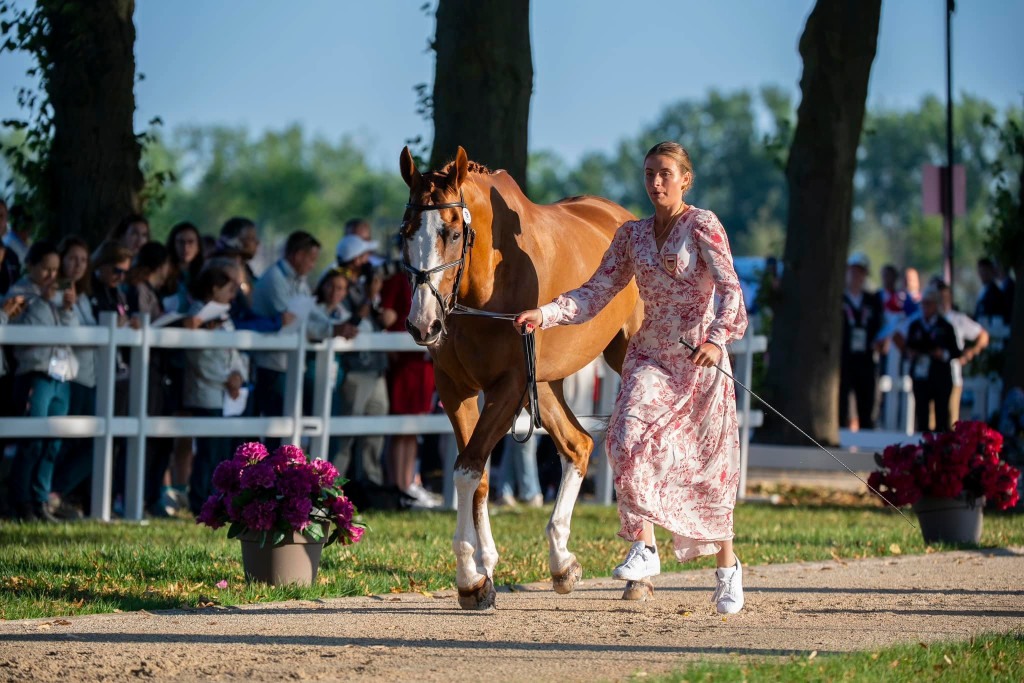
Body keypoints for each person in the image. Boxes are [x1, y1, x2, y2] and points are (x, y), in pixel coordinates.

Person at [515, 141, 748, 614]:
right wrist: (546, 312)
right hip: (651, 357)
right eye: (649, 174)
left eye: (665, 174)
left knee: (705, 473)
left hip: (700, 361)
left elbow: (730, 290)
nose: (656, 182)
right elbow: (596, 290)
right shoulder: (632, 236)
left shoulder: (703, 225)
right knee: (624, 438)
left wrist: (717, 338)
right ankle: (644, 547)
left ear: (685, 179)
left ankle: (727, 568)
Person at [6, 241, 79, 522]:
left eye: (55, 270)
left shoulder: (56, 296)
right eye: (45, 269)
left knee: (53, 442)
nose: (51, 276)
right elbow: (20, 327)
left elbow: (72, 335)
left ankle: (41, 499)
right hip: (35, 373)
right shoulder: (20, 294)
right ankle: (20, 501)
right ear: (31, 266)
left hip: (62, 375)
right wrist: (44, 300)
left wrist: (68, 309)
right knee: (33, 440)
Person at [251, 231, 339, 442]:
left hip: (289, 365)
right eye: (311, 259)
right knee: (277, 429)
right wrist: (333, 329)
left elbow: (313, 314)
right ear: (298, 255)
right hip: (273, 365)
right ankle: (272, 475)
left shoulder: (296, 280)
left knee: (288, 428)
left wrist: (335, 325)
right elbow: (293, 322)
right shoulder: (274, 279)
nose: (312, 265)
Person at [184, 258, 249, 514]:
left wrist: (238, 375)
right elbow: (199, 358)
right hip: (207, 392)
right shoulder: (198, 315)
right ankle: (201, 500)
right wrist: (226, 378)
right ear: (213, 288)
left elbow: (236, 352)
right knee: (208, 453)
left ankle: (219, 499)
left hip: (227, 394)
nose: (233, 293)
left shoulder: (224, 316)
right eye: (228, 287)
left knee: (223, 452)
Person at [379, 260, 440, 508]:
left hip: (423, 364)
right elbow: (387, 317)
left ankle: (409, 484)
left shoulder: (432, 281)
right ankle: (399, 485)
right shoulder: (396, 281)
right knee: (400, 426)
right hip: (403, 364)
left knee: (414, 427)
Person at [332, 235, 389, 488]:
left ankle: (371, 485)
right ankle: (331, 486)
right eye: (364, 257)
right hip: (354, 369)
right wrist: (369, 297)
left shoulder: (363, 284)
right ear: (355, 260)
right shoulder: (337, 285)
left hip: (376, 368)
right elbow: (350, 323)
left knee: (375, 430)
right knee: (346, 434)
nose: (369, 262)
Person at [49, 236, 98, 518]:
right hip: (69, 376)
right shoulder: (57, 291)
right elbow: (76, 337)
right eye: (73, 259)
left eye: (83, 260)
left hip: (89, 378)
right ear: (62, 259)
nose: (78, 265)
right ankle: (52, 492)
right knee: (67, 441)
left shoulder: (83, 295)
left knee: (91, 442)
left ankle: (57, 492)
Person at [899, 286, 961, 433]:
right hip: (921, 376)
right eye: (924, 303)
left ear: (936, 305)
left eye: (929, 303)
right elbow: (906, 347)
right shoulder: (915, 325)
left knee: (941, 415)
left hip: (940, 376)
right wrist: (911, 353)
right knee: (921, 414)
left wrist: (941, 353)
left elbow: (955, 352)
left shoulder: (945, 326)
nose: (925, 307)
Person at [839, 252, 884, 430]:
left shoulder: (872, 300)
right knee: (842, 403)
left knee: (866, 403)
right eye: (853, 271)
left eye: (860, 272)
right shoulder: (839, 299)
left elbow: (881, 326)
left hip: (866, 359)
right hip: (845, 359)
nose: (856, 276)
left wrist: (882, 342)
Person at [936, 281, 988, 426]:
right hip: (930, 377)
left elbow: (983, 335)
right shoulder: (927, 319)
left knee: (951, 421)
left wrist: (970, 353)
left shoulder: (957, 319)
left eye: (944, 297)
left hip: (953, 376)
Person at [164, 221, 204, 313]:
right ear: (173, 244)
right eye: (181, 242)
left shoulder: (204, 274)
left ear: (198, 246)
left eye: (190, 242)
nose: (185, 247)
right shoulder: (164, 274)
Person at [976, 258, 1009, 324]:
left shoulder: (996, 293)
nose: (982, 275)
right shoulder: (984, 290)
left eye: (984, 271)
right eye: (980, 272)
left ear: (990, 271)